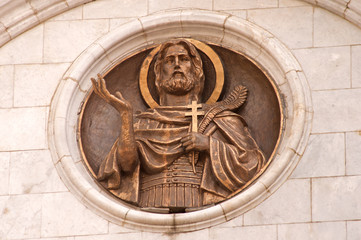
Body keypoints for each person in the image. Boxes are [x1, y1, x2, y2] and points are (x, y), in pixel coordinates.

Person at [91, 39, 265, 211]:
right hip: (152, 203)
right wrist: (126, 115)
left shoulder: (219, 119)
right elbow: (126, 166)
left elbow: (251, 164)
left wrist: (209, 144)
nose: (176, 65)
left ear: (196, 71)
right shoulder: (144, 122)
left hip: (202, 203)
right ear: (159, 74)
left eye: (183, 59)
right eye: (169, 61)